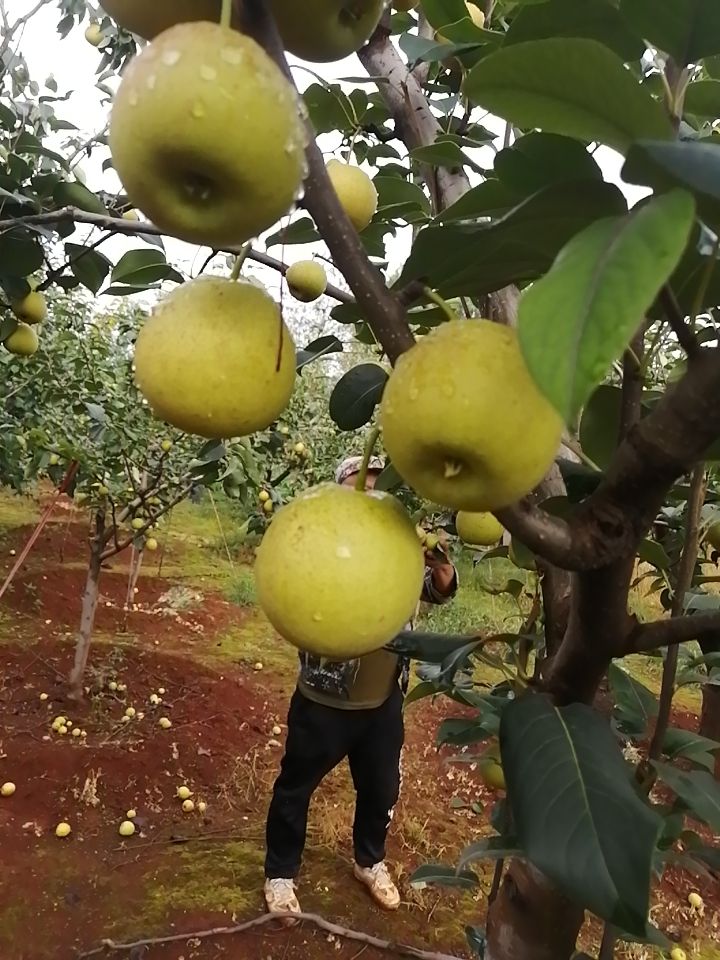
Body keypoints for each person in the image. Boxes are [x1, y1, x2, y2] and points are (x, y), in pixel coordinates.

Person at [263, 455, 458, 917]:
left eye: (379, 484)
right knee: (296, 788)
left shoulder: (395, 546)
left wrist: (443, 571)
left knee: (381, 789)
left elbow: (433, 588)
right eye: (360, 483)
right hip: (323, 700)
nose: (370, 493)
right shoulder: (322, 546)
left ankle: (369, 862)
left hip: (382, 699)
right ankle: (281, 874)